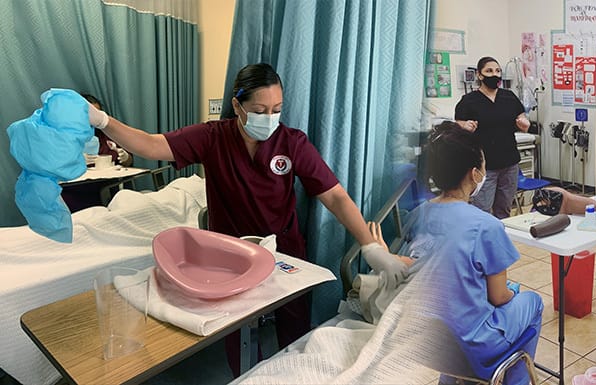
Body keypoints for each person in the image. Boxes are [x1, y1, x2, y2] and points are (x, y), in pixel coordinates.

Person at [85, 63, 398, 376]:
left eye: (277, 109)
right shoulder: (212, 137)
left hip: (284, 248)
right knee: (237, 330)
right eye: (260, 110)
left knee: (296, 328)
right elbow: (151, 145)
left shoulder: (292, 143)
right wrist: (102, 121)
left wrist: (371, 246)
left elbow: (334, 196)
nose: (270, 118)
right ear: (237, 105)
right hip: (228, 255)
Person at [409, 121, 542, 385]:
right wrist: (511, 293)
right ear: (474, 174)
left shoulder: (417, 216)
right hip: (474, 345)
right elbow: (499, 296)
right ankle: (514, 379)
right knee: (532, 302)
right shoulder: (485, 226)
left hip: (426, 343)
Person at [455, 56, 531, 219]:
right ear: (479, 75)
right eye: (489, 71)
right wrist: (465, 127)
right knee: (482, 210)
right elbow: (459, 126)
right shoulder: (469, 101)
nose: (494, 74)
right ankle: (482, 242)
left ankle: (501, 239)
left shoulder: (509, 97)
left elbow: (522, 119)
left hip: (509, 162)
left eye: (497, 71)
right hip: (483, 166)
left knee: (504, 208)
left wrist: (524, 125)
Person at [60, 94, 133, 212]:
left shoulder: (107, 133)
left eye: (97, 113)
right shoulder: (62, 136)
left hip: (107, 192)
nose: (94, 118)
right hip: (74, 193)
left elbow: (129, 161)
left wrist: (125, 157)